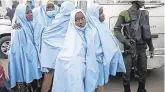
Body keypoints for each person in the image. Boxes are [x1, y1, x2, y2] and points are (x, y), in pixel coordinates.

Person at [114, 0, 154, 92]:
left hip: (141, 48)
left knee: (143, 72)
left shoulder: (145, 13)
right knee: (126, 74)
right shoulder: (124, 14)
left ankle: (141, 89)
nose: (143, 1)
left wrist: (151, 47)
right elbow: (116, 30)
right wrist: (125, 41)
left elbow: (147, 32)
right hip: (130, 48)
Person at [85, 2, 126, 92]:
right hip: (94, 63)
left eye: (102, 12)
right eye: (100, 13)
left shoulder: (102, 26)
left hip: (101, 63)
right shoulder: (91, 31)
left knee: (100, 84)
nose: (103, 15)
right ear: (93, 15)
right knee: (95, 85)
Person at [40, 1, 75, 92]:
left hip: (51, 54)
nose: (51, 10)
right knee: (56, 78)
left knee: (50, 77)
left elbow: (47, 35)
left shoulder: (58, 18)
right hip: (62, 54)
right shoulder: (71, 20)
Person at [52, 9, 88, 92]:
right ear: (72, 21)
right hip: (75, 67)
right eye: (77, 20)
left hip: (84, 66)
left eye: (82, 18)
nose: (80, 22)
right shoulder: (71, 34)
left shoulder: (88, 31)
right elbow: (67, 52)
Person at [8, 4, 42, 92]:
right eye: (27, 13)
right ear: (21, 14)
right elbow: (18, 52)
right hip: (26, 60)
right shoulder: (19, 30)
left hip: (31, 58)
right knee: (27, 77)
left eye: (31, 12)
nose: (30, 14)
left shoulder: (31, 24)